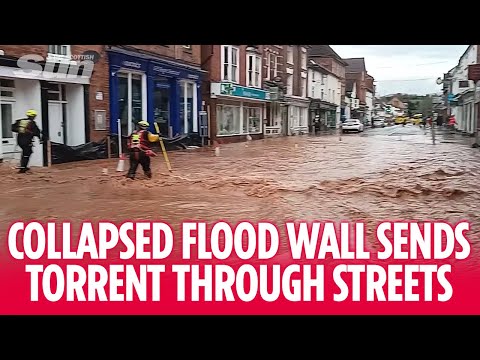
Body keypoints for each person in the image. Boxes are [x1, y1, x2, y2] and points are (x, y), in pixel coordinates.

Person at [11, 109, 44, 173]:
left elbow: (13, 128)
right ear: (33, 116)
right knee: (27, 152)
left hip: (19, 140)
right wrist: (40, 139)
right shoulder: (32, 123)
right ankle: (23, 168)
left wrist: (21, 131)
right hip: (27, 140)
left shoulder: (19, 121)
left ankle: (23, 166)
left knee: (26, 152)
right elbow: (37, 132)